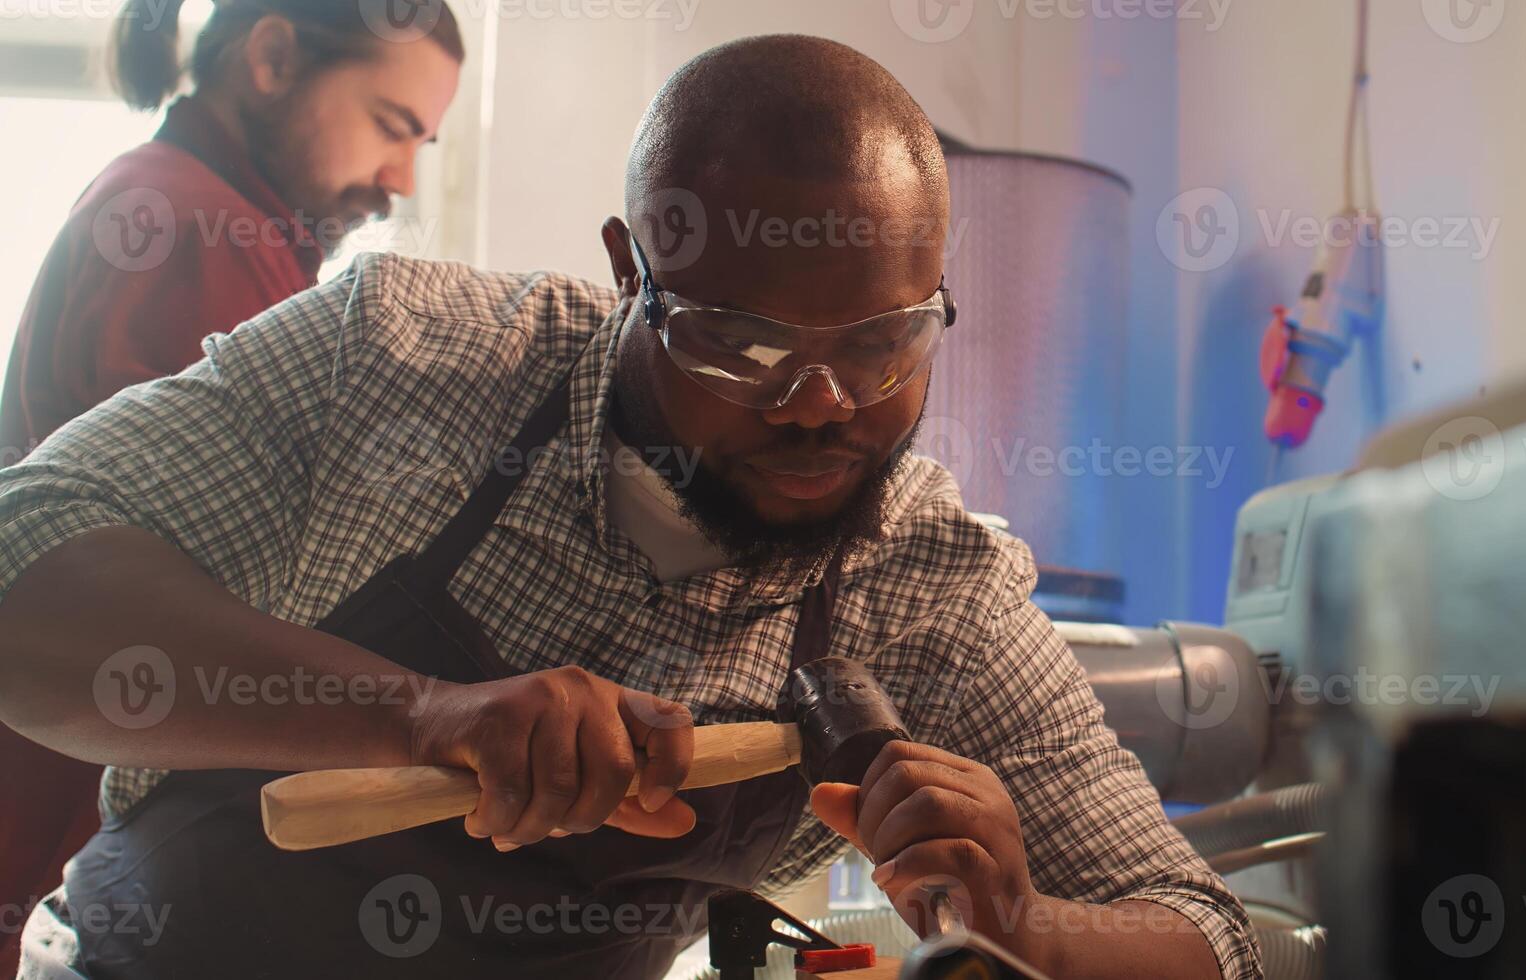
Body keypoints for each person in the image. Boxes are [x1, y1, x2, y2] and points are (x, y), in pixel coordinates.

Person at [0, 35, 1260, 980]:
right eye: (744, 344)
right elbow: (22, 568)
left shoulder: (927, 585)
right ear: (629, 275)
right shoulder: (400, 361)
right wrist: (423, 713)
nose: (821, 405)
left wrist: (1025, 920)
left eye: (882, 346)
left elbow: (1209, 931)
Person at [0, 0, 462, 971]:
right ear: (273, 57)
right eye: (390, 124)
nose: (400, 179)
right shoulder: (190, 230)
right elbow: (213, 582)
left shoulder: (197, 215)